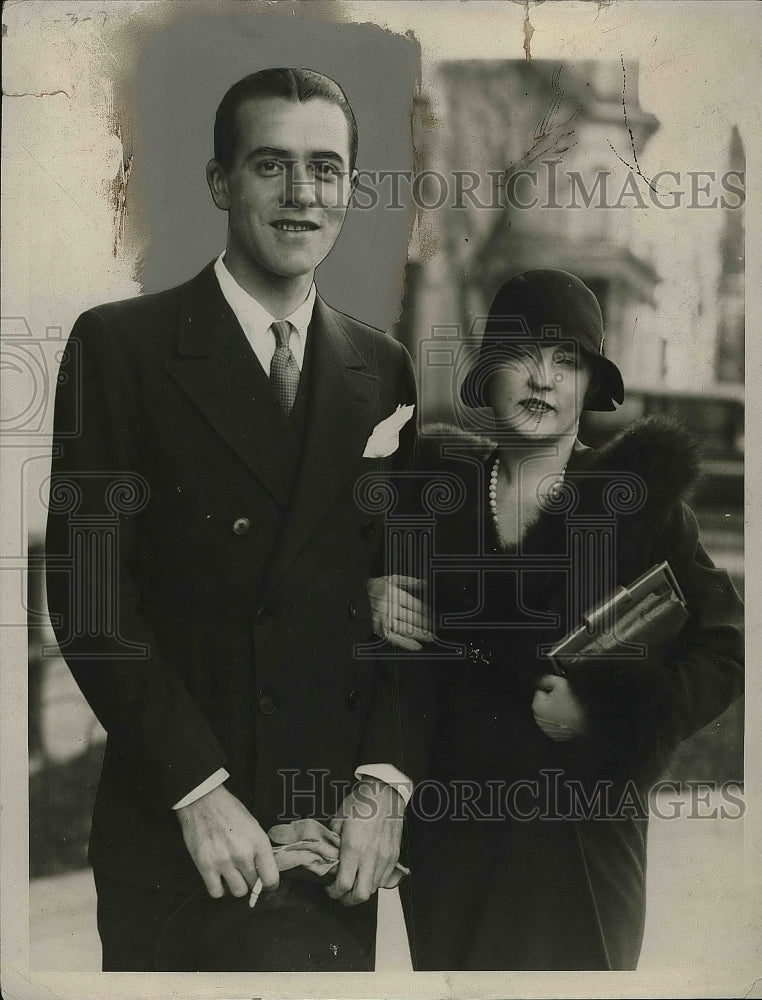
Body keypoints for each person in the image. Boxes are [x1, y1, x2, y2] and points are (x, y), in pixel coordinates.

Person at [45, 67, 426, 971]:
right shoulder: (120, 345)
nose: (303, 195)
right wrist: (197, 791)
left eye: (326, 169)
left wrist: (382, 786)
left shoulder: (385, 368)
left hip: (331, 845)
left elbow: (417, 607)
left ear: (352, 191)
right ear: (221, 183)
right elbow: (92, 598)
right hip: (185, 839)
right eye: (272, 165)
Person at [400, 269, 744, 971]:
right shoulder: (433, 495)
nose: (543, 379)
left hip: (581, 839)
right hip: (453, 845)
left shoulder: (636, 502)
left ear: (590, 386)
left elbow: (723, 650)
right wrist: (376, 593)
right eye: (522, 355)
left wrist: (604, 712)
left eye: (568, 362)